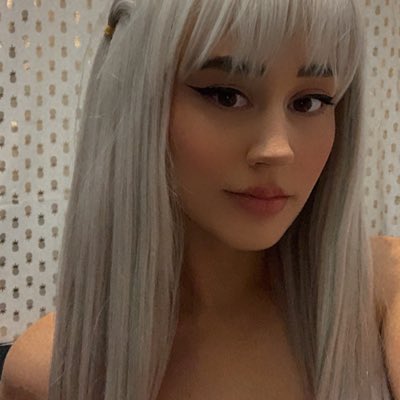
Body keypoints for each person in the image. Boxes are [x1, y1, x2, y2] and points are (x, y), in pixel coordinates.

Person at [2, 0, 396, 399]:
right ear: (139, 104)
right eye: (226, 96)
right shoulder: (53, 371)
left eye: (309, 102)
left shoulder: (382, 292)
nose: (278, 149)